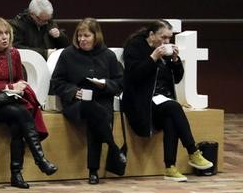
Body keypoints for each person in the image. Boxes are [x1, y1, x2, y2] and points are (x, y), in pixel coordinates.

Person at [122, 19, 213, 182]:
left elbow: (177, 78)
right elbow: (135, 75)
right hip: (141, 101)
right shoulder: (135, 47)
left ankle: (170, 167)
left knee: (170, 118)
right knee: (174, 107)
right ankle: (193, 151)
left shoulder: (167, 53)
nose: (166, 42)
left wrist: (176, 61)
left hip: (162, 100)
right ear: (151, 35)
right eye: (163, 37)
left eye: (169, 38)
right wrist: (153, 57)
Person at [0, 17, 57, 189]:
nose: (4, 37)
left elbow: (19, 77)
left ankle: (16, 174)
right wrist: (9, 86)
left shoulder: (13, 54)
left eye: (6, 33)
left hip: (11, 99)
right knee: (21, 113)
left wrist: (19, 86)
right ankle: (40, 159)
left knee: (17, 125)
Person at [50, 18, 126, 184]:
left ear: (96, 36)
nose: (82, 39)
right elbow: (57, 82)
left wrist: (105, 85)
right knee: (95, 112)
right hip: (76, 103)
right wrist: (73, 91)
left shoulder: (108, 56)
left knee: (96, 116)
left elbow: (120, 83)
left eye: (86, 36)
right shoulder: (68, 54)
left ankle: (93, 171)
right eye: (79, 35)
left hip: (101, 100)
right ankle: (112, 148)